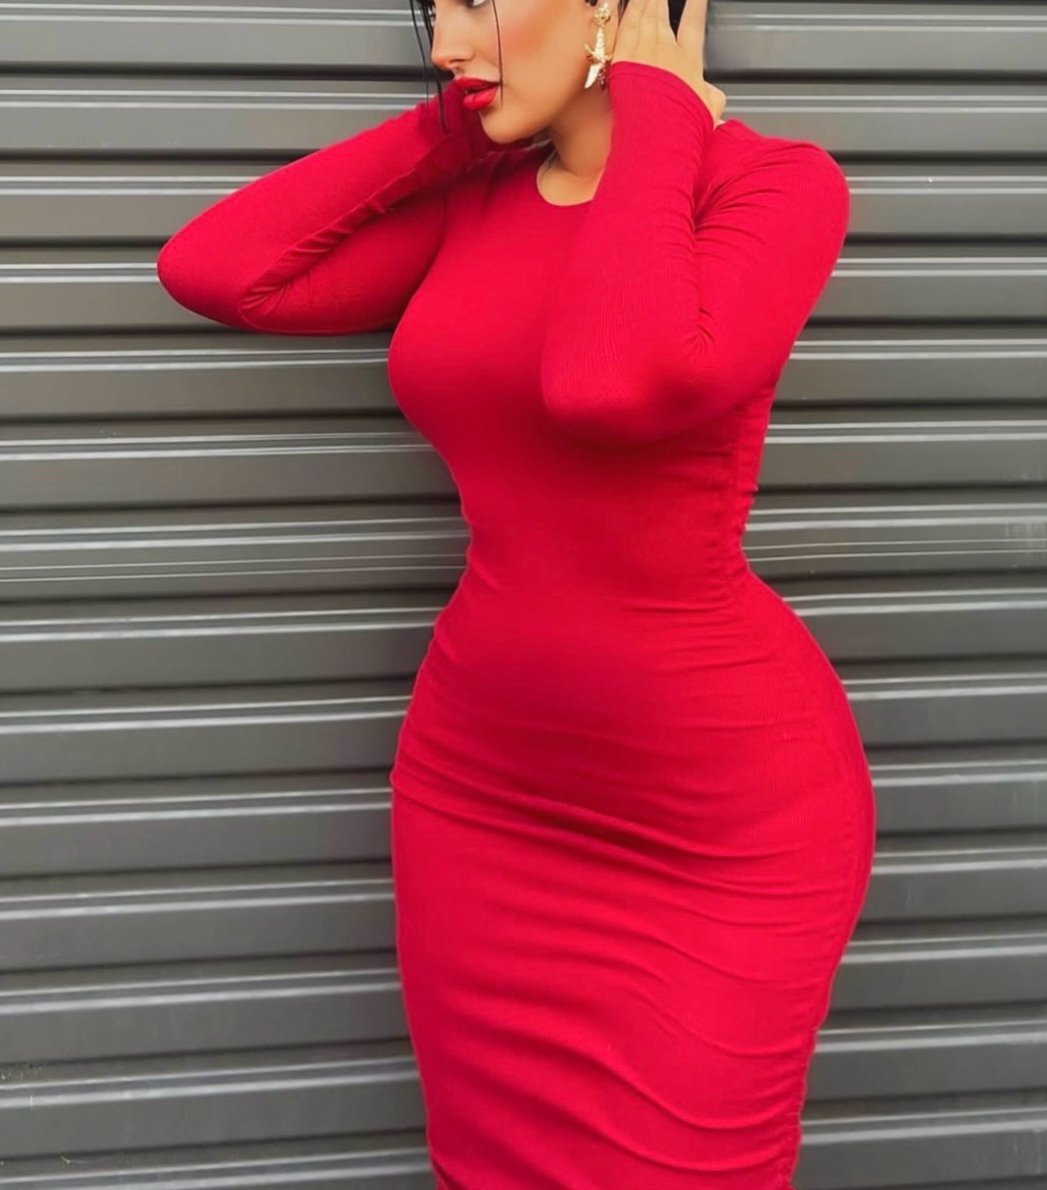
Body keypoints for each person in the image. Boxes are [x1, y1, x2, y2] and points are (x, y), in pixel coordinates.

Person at [155, 0, 875, 1184]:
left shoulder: (774, 186)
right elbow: (219, 272)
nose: (446, 44)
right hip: (480, 792)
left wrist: (654, 111)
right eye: (436, 11)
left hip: (708, 820)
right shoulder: (480, 199)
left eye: (480, 4)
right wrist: (453, 130)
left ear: (616, 8)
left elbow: (613, 382)